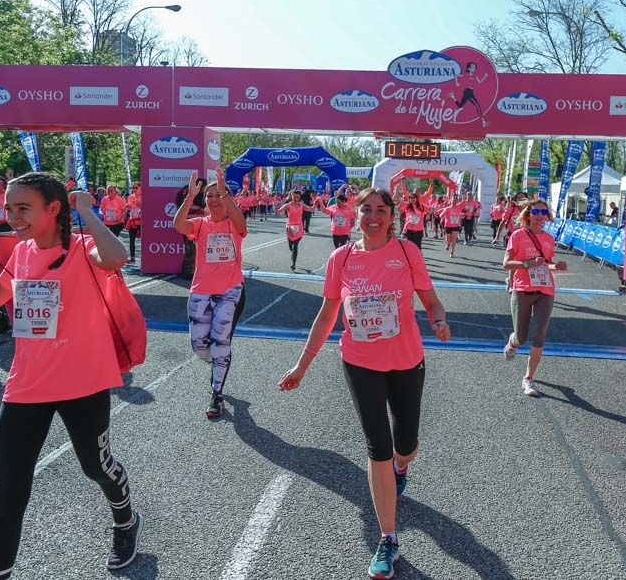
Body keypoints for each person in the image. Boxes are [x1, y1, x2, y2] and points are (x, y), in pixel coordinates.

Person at [0, 172, 142, 577]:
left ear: (54, 209)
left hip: (84, 382)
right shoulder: (22, 251)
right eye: (9, 208)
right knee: (8, 489)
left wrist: (87, 211)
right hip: (26, 385)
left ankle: (126, 520)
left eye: (23, 208)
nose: (13, 217)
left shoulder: (85, 248)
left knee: (96, 467)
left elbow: (116, 258)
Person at [278, 188, 451, 580]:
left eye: (381, 210)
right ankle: (388, 537)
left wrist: (439, 321)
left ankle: (401, 466)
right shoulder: (341, 258)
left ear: (391, 216)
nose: (373, 217)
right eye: (366, 210)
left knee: (405, 444)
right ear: (356, 214)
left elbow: (431, 300)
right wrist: (302, 365)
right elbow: (327, 314)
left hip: (406, 361)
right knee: (378, 448)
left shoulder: (407, 252)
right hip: (359, 363)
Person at [173, 168, 247, 419]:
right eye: (209, 196)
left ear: (227, 198)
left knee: (221, 342)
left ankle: (217, 394)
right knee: (199, 346)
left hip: (230, 291)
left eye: (219, 195)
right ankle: (217, 361)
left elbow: (240, 221)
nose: (214, 199)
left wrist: (225, 192)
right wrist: (189, 197)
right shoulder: (199, 224)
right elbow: (178, 225)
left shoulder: (234, 224)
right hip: (201, 292)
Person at [502, 198, 566, 396]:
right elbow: (506, 263)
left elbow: (546, 263)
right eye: (536, 212)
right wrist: (528, 264)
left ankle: (528, 378)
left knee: (539, 334)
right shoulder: (518, 235)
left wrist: (556, 266)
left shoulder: (549, 239)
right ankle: (513, 341)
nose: (540, 216)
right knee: (522, 337)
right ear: (528, 215)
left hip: (545, 290)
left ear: (547, 216)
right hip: (522, 288)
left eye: (543, 212)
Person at [277, 190, 315, 270]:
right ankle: (293, 254)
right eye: (294, 197)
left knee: (295, 246)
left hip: (299, 227)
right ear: (292, 196)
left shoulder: (302, 205)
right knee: (291, 247)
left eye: (297, 197)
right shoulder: (288, 205)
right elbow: (280, 210)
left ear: (299, 197)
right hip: (290, 227)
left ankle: (293, 263)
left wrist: (317, 202)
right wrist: (278, 208)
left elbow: (311, 209)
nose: (296, 199)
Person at [447, 61, 488, 127]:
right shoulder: (465, 75)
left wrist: (485, 76)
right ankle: (483, 122)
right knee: (477, 106)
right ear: (469, 68)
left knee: (460, 106)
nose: (474, 68)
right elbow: (456, 76)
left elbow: (479, 82)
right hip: (468, 92)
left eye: (475, 67)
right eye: (472, 67)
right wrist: (456, 82)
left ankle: (453, 97)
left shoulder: (475, 75)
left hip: (470, 92)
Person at [125, 184, 141, 263]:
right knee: (132, 240)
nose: (134, 189)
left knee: (144, 240)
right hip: (132, 221)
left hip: (142, 221)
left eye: (136, 188)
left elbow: (148, 208)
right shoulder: (130, 197)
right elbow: (129, 208)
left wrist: (140, 205)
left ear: (140, 188)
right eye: (133, 188)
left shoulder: (144, 196)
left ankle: (146, 257)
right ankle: (132, 257)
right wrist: (128, 206)